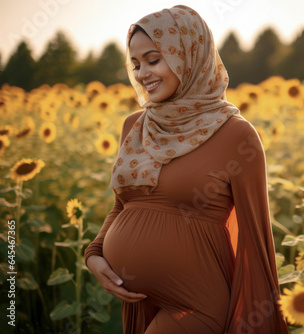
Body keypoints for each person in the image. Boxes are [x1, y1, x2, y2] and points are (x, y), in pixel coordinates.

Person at [84, 5, 290, 334]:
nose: (141, 74)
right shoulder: (135, 126)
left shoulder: (236, 135)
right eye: (136, 64)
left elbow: (256, 238)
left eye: (154, 60)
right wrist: (94, 254)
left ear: (189, 55)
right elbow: (124, 206)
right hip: (140, 301)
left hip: (197, 306)